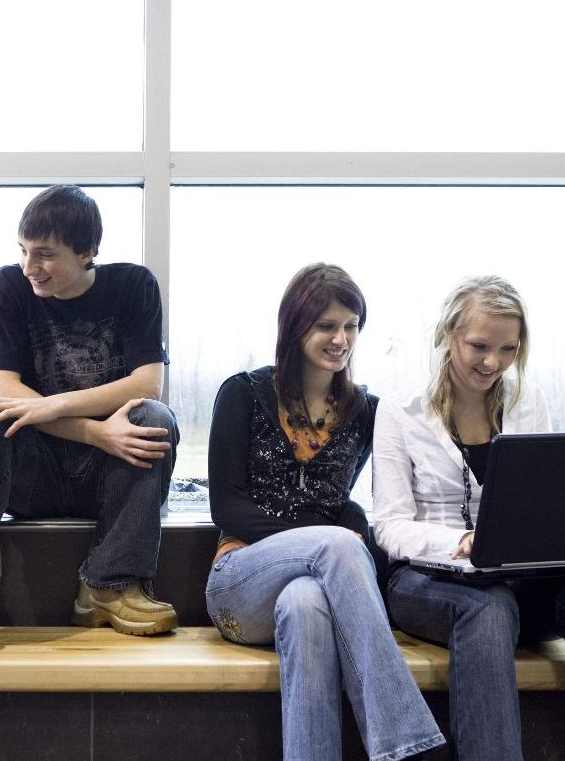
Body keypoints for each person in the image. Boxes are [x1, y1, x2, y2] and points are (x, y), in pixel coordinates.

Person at [371, 275, 565, 761]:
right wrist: (459, 540)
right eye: (479, 345)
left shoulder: (527, 403)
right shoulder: (400, 411)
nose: (491, 362)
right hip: (424, 581)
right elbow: (389, 525)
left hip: (520, 581)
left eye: (507, 349)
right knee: (488, 607)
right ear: (447, 335)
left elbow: (541, 504)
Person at [0, 185, 180, 663]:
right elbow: (6, 392)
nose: (30, 267)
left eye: (45, 255)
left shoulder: (134, 286)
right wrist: (94, 431)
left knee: (155, 419)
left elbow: (147, 385)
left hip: (107, 473)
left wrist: (51, 406)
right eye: (23, 251)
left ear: (88, 251)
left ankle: (109, 584)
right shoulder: (8, 287)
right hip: (35, 472)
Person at [205, 263, 445, 761]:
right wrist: (328, 535)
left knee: (305, 605)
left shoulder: (366, 410)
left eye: (351, 326)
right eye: (327, 326)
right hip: (239, 580)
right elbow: (225, 506)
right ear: (296, 327)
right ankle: (405, 742)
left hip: (317, 586)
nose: (341, 339)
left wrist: (349, 526)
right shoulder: (243, 394)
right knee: (335, 544)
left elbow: (381, 492)